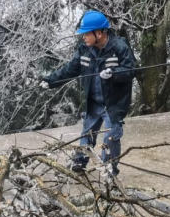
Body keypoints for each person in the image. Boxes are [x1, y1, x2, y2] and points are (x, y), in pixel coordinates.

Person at [40, 10, 136, 174]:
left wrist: (114, 73)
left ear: (98, 33)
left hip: (113, 104)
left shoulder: (120, 47)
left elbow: (131, 70)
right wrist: (50, 81)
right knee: (87, 134)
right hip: (94, 102)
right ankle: (79, 162)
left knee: (111, 137)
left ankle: (108, 169)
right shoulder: (84, 50)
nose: (83, 37)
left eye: (86, 34)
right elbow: (70, 70)